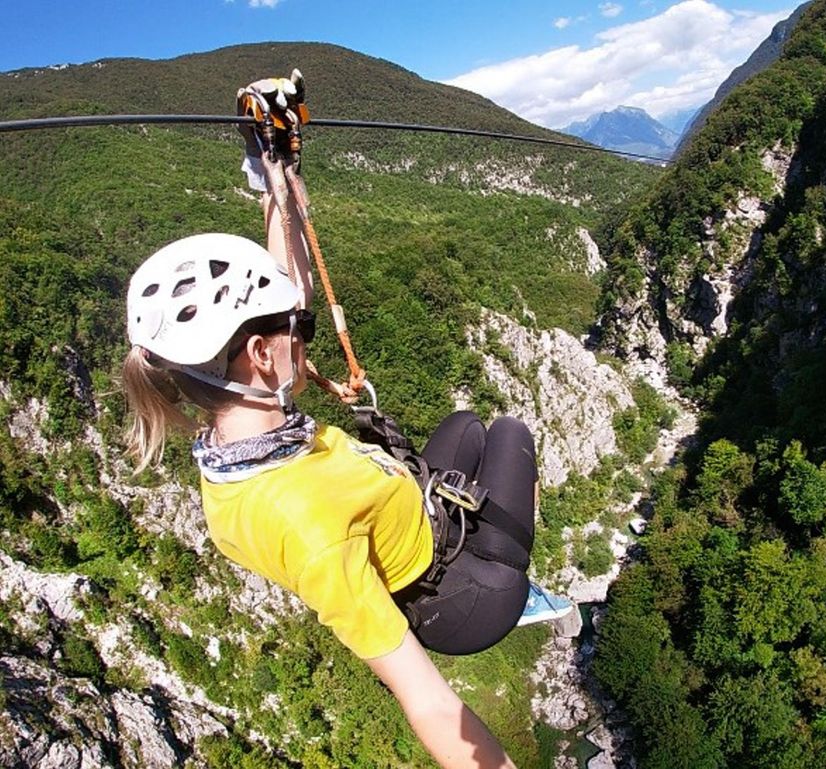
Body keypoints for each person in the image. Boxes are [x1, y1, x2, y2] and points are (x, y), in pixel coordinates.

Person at [120, 75, 571, 769]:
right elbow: (426, 701)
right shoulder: (308, 527)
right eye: (295, 329)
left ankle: (471, 519)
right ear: (265, 356)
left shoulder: (242, 434)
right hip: (461, 595)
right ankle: (521, 571)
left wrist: (277, 175)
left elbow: (283, 283)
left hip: (406, 512)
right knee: (509, 432)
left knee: (467, 427)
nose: (305, 330)